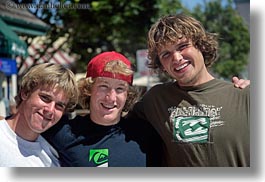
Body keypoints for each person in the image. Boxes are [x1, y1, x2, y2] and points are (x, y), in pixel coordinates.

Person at [129, 14, 250, 167]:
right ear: (162, 66)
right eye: (166, 54)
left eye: (182, 46)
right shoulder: (155, 100)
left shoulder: (245, 96)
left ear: (201, 45)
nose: (177, 58)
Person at [43, 51, 163, 167]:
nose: (111, 98)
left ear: (128, 94)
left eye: (120, 89)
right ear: (88, 89)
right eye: (103, 86)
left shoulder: (144, 135)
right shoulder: (62, 133)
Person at [0, 63, 79, 167]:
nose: (50, 110)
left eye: (59, 105)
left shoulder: (53, 157)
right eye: (45, 98)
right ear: (25, 93)